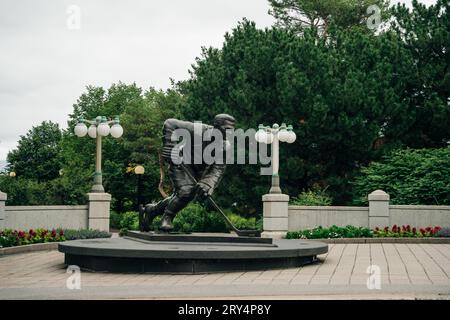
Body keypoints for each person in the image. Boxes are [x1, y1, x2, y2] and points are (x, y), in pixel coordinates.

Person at [139, 113, 235, 232]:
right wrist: (169, 145)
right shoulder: (198, 130)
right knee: (186, 192)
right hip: (181, 162)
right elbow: (170, 123)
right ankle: (167, 218)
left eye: (232, 130)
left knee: (181, 196)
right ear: (216, 126)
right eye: (227, 129)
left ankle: (151, 210)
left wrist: (208, 183)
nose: (229, 133)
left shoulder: (225, 146)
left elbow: (218, 168)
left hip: (199, 171)